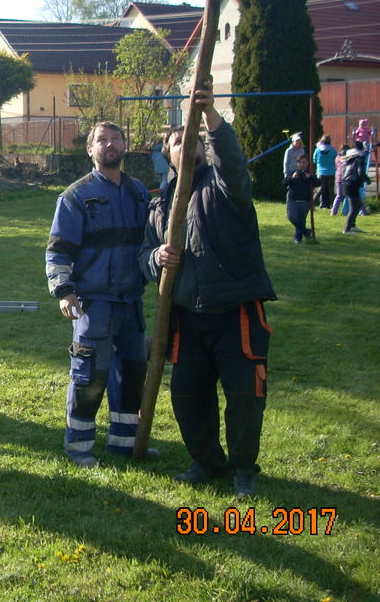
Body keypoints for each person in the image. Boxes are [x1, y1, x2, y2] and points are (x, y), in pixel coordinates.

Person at [139, 82, 276, 498]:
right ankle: (207, 461)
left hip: (236, 311)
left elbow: (231, 159)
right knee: (188, 395)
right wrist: (156, 257)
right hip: (186, 318)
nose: (187, 143)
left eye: (194, 138)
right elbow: (143, 254)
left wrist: (211, 116)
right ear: (168, 155)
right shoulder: (159, 205)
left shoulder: (225, 186)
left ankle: (243, 468)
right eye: (178, 140)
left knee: (245, 395)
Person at [46, 122, 154, 467]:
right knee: (90, 376)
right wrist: (64, 291)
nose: (110, 145)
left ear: (125, 145)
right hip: (94, 304)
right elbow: (58, 249)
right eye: (102, 140)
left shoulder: (139, 193)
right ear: (90, 149)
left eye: (116, 139)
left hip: (131, 301)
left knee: (132, 374)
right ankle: (78, 447)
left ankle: (124, 443)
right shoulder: (76, 196)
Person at [283, 152, 318, 243]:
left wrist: (310, 177)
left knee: (302, 220)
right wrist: (292, 178)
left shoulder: (309, 174)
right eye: (300, 162)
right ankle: (306, 231)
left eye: (304, 162)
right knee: (292, 217)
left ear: (308, 163)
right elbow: (284, 182)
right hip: (293, 200)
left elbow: (318, 183)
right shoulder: (293, 173)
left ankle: (298, 239)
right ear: (297, 163)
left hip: (305, 201)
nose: (302, 164)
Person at [341, 142, 370, 234]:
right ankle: (347, 229)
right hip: (352, 184)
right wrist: (367, 180)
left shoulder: (348, 158)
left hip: (346, 183)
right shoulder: (359, 158)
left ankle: (352, 225)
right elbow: (361, 172)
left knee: (357, 206)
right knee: (354, 208)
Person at [313, 135, 338, 209]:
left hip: (320, 172)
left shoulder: (317, 150)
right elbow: (336, 160)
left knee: (321, 189)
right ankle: (332, 205)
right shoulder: (333, 150)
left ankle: (317, 203)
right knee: (331, 189)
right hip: (331, 172)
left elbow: (314, 160)